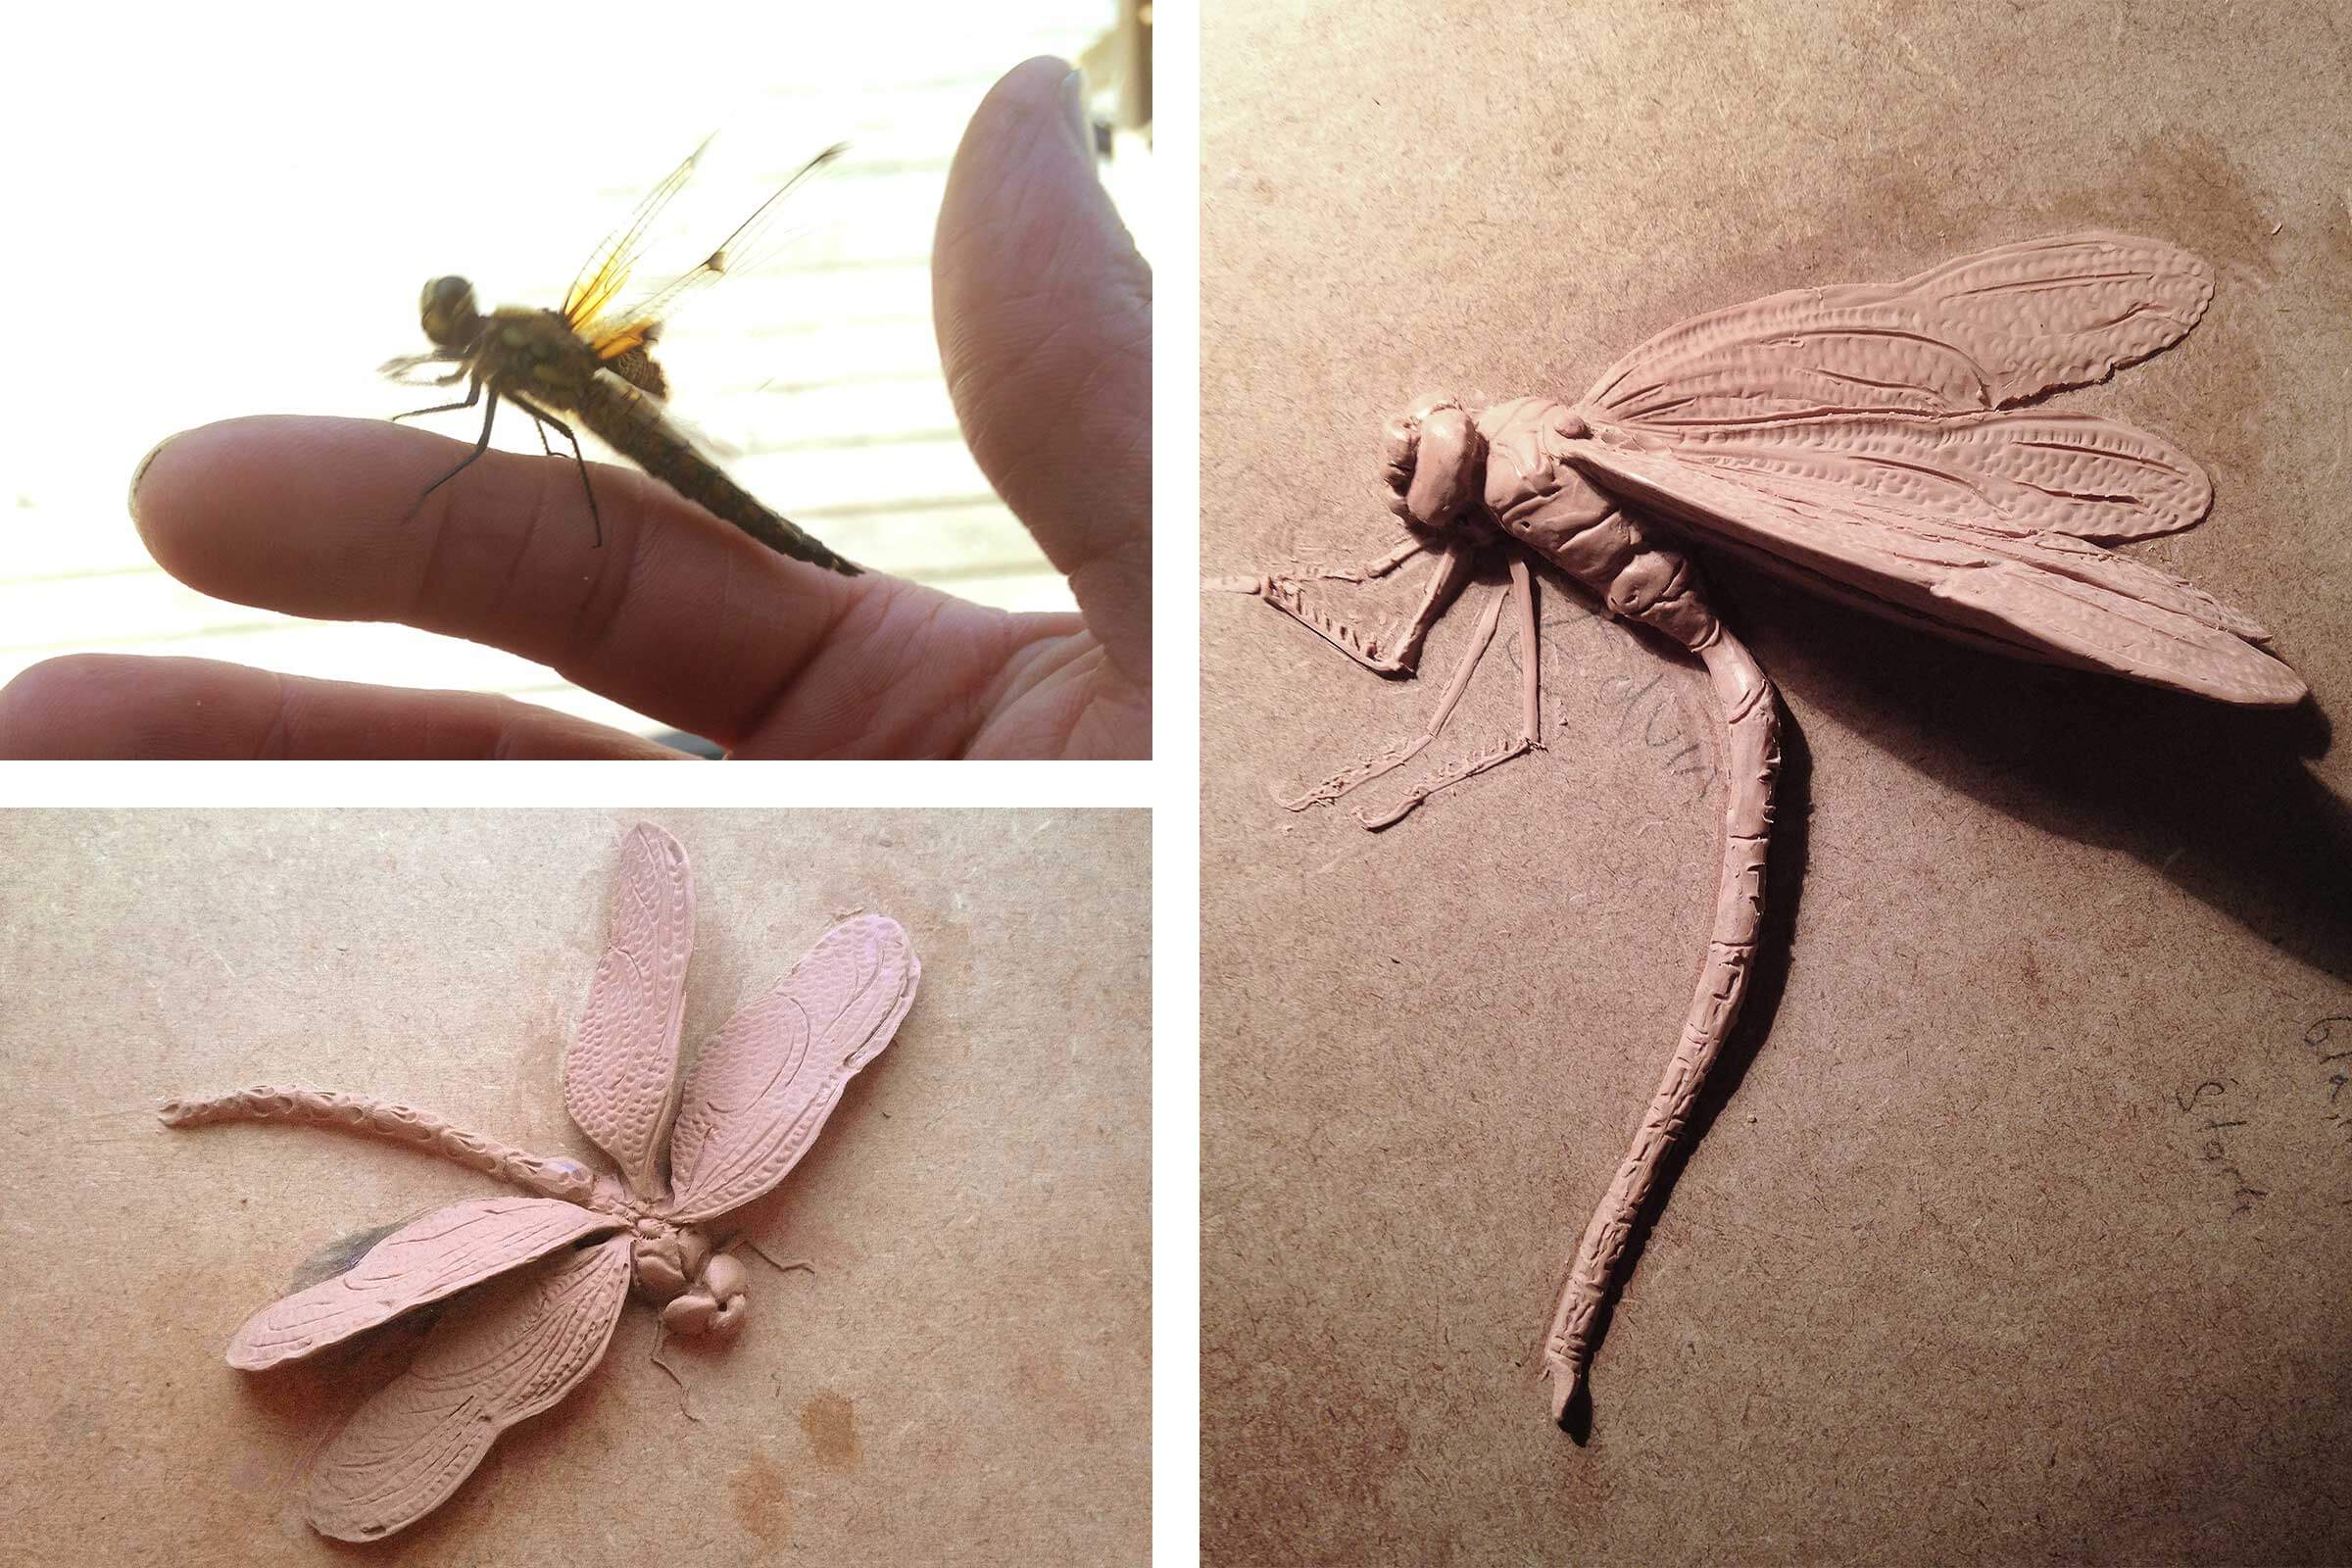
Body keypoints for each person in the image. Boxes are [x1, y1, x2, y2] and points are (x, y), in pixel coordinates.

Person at [0, 57, 1149, 760]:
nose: (449, 334)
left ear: (469, 325)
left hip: (623, 427)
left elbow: (482, 428)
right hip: (602, 410)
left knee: (499, 476)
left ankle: (811, 558)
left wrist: (430, 441)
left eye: (451, 320)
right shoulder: (505, 352)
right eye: (446, 321)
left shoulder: (506, 357)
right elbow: (474, 401)